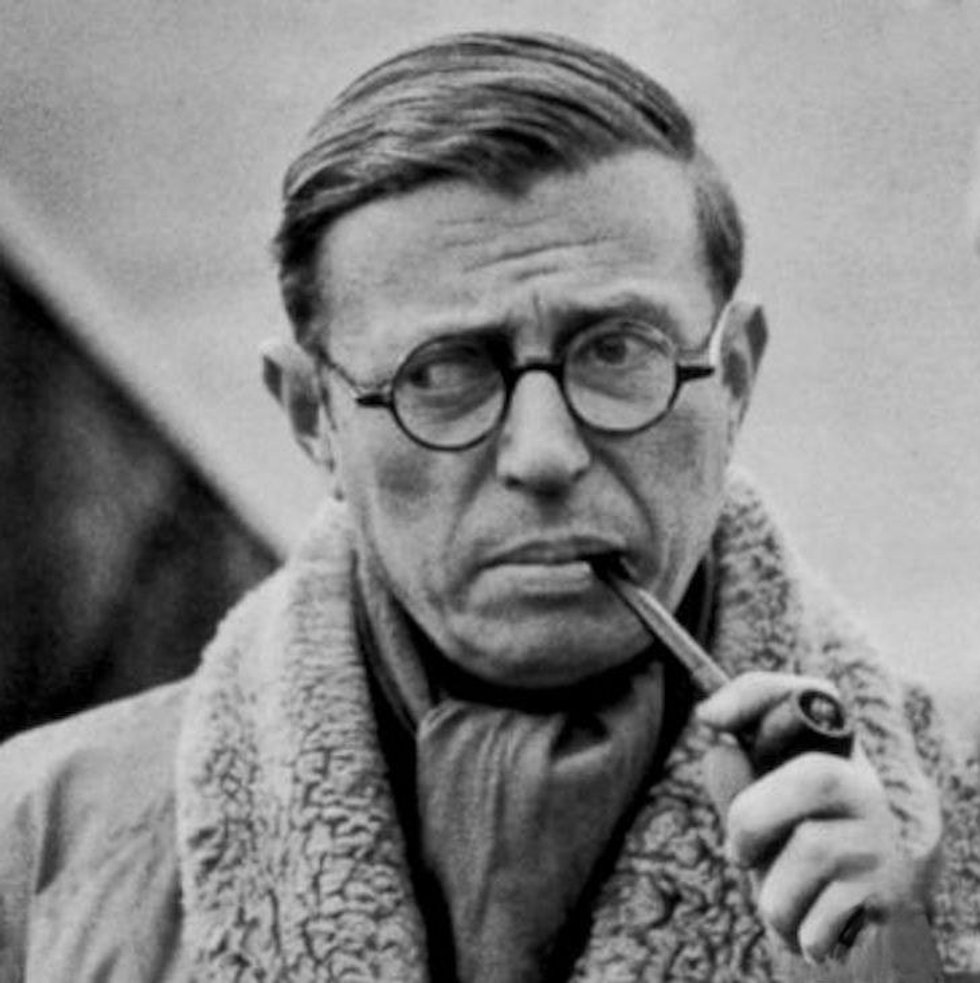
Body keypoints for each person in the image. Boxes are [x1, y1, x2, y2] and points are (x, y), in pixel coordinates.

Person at [0, 30, 978, 983]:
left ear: (732, 378)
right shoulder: (37, 847)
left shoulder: (953, 821)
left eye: (616, 350)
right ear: (311, 415)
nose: (545, 453)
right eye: (442, 372)